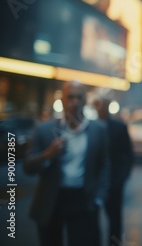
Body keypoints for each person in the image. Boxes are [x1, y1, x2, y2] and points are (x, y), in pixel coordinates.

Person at [24, 80, 110, 246]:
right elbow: (28, 167)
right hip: (51, 201)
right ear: (62, 100)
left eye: (79, 97)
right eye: (70, 97)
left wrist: (99, 198)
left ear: (85, 100)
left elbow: (104, 166)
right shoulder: (44, 129)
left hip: (83, 201)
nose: (75, 102)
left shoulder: (98, 130)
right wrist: (47, 155)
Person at [93, 97, 134, 245]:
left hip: (114, 181)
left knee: (115, 219)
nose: (102, 108)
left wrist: (123, 177)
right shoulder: (91, 127)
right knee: (91, 220)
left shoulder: (119, 127)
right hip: (94, 182)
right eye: (99, 105)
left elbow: (128, 154)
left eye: (104, 106)